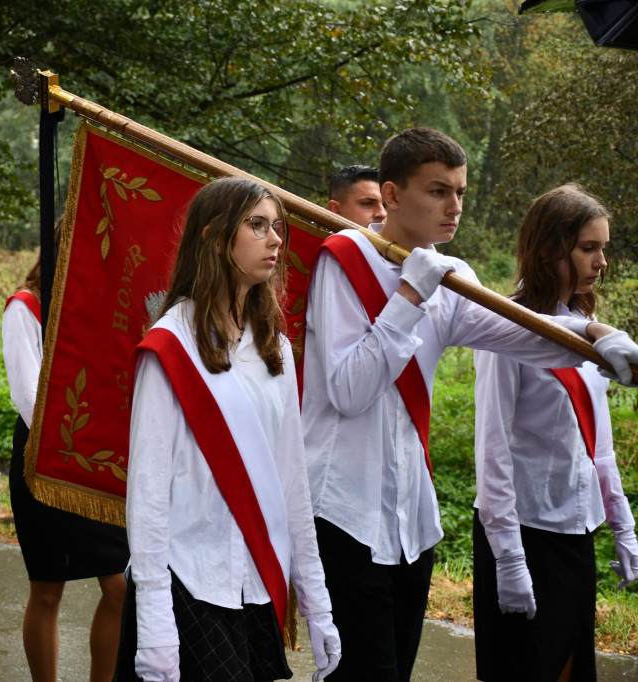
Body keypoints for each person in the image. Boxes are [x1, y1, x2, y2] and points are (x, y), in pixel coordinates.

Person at [301, 127, 638, 682]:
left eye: (459, 192)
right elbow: (348, 390)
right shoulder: (343, 261)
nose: (454, 206)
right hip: (343, 512)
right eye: (438, 191)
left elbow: (521, 334)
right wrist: (410, 296)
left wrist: (595, 332)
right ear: (390, 196)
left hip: (411, 519)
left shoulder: (453, 274)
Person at [118, 176, 342, 681]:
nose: (276, 240)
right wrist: (154, 619)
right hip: (188, 584)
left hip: (254, 589)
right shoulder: (170, 347)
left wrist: (318, 604)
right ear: (217, 239)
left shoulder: (275, 348)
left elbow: (292, 483)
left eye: (277, 227)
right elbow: (148, 492)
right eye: (257, 225)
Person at [473, 184, 638, 682]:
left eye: (603, 247)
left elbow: (597, 443)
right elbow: (493, 448)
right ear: (549, 248)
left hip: (574, 531)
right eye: (589, 248)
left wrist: (621, 523)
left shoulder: (587, 328)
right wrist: (508, 557)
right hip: (524, 532)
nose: (602, 261)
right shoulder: (507, 326)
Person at [2, 244, 129, 682]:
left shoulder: (100, 304)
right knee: (48, 588)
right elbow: (27, 397)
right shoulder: (26, 307)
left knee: (120, 585)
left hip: (98, 456)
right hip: (45, 459)